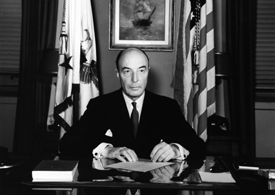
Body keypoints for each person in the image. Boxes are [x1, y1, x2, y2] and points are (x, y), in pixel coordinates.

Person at [59, 47, 205, 162]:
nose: (135, 79)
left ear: (148, 71)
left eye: (141, 70)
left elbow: (199, 146)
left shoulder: (167, 107)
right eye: (127, 71)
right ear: (118, 73)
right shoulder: (100, 106)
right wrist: (106, 151)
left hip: (155, 190)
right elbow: (67, 144)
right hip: (114, 189)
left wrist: (176, 149)